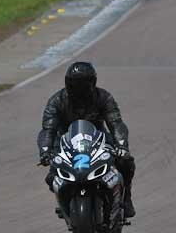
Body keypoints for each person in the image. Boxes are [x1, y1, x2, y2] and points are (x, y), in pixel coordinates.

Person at [37, 61, 136, 218]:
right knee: (51, 176)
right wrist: (45, 151)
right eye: (75, 84)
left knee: (126, 162)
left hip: (98, 139)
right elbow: (48, 129)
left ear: (93, 83)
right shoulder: (57, 101)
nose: (79, 88)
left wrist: (122, 145)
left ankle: (126, 198)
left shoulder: (104, 97)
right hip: (65, 142)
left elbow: (116, 123)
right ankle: (65, 203)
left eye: (83, 84)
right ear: (67, 83)